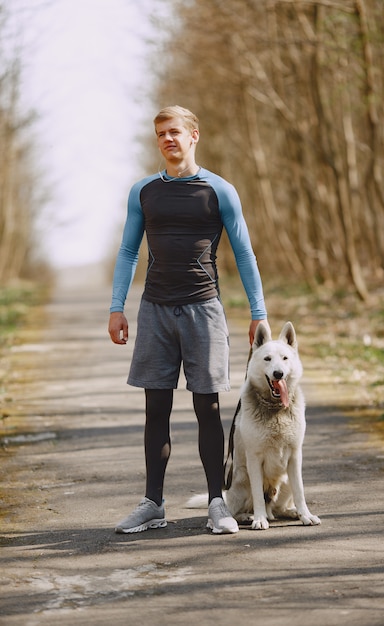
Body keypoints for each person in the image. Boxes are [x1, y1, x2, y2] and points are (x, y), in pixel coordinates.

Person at [108, 105, 267, 535]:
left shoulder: (220, 191)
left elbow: (245, 253)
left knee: (207, 408)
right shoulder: (144, 191)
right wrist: (116, 307)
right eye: (161, 134)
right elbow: (127, 252)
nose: (167, 139)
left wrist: (259, 313)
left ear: (194, 135)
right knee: (155, 408)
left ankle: (218, 503)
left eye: (175, 132)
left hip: (204, 310)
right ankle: (152, 504)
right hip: (156, 310)